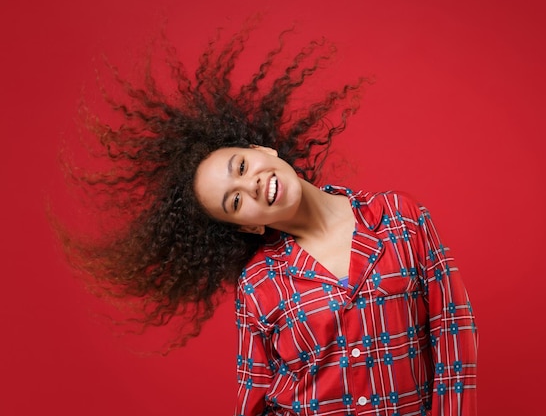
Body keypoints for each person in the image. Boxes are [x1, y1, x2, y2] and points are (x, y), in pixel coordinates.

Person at [56, 23, 478, 416]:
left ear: (264, 151)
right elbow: (254, 395)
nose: (251, 186)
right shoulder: (259, 287)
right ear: (248, 226)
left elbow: (453, 329)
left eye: (240, 167)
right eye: (235, 202)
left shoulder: (400, 217)